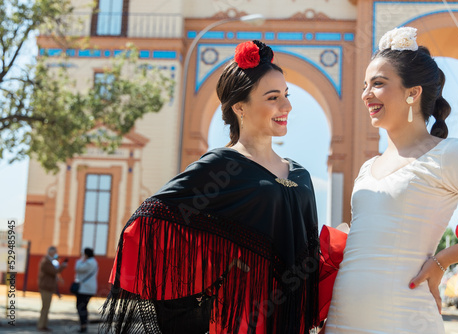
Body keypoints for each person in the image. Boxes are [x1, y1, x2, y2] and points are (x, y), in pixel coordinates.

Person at [101, 40, 321, 334]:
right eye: (272, 97)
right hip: (242, 318)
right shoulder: (222, 166)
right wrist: (211, 277)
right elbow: (151, 219)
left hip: (291, 320)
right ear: (240, 107)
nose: (287, 106)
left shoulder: (301, 175)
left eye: (286, 94)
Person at [325, 27, 458, 333]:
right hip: (342, 318)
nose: (366, 94)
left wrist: (443, 260)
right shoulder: (368, 167)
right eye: (365, 85)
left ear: (412, 92)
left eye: (378, 84)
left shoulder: (448, 154)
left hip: (404, 317)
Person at [37, 246, 67, 332]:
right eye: (55, 252)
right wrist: (63, 267)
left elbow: (54, 272)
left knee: (46, 307)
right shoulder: (46, 261)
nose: (56, 253)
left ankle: (44, 325)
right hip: (46, 287)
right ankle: (41, 325)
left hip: (48, 287)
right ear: (50, 252)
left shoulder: (49, 261)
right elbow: (54, 271)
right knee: (45, 307)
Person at [75, 247, 98, 333]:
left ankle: (83, 325)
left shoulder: (89, 263)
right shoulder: (94, 262)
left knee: (81, 307)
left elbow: (78, 268)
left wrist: (81, 259)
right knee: (83, 307)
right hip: (89, 288)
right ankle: (84, 325)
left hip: (85, 289)